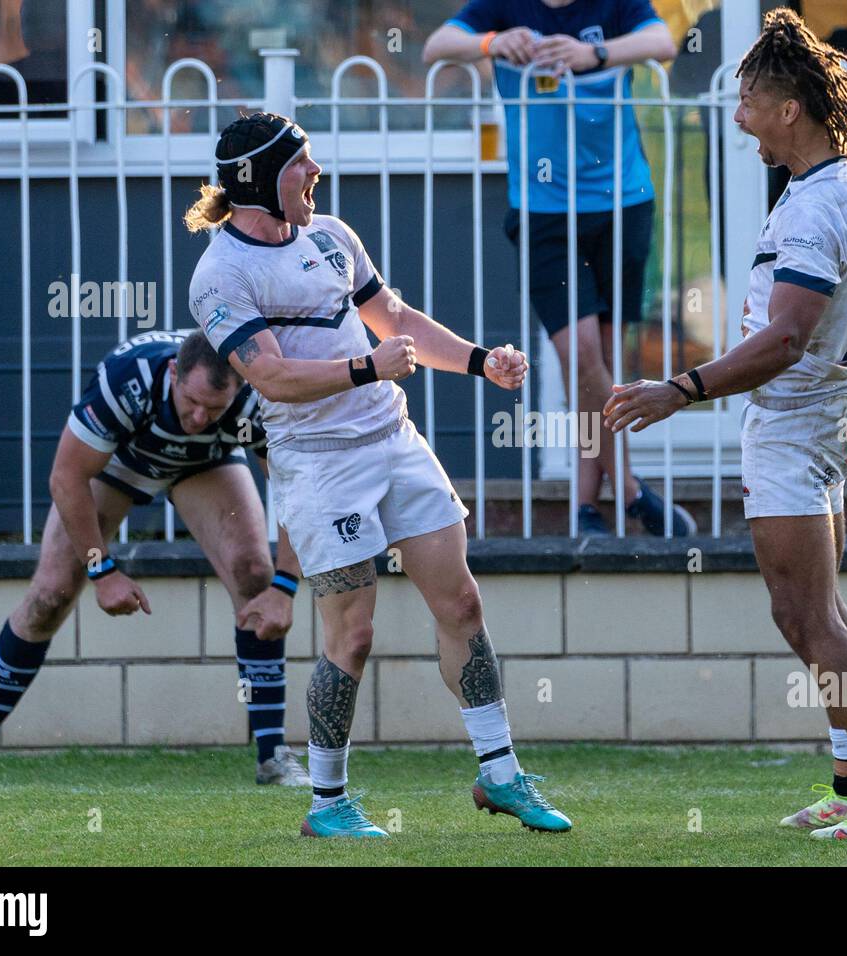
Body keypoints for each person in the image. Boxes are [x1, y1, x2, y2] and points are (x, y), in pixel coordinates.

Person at [185, 112, 573, 837]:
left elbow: (391, 316)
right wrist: (366, 364)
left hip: (394, 440)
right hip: (318, 465)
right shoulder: (220, 274)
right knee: (352, 637)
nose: (316, 174)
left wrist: (479, 360)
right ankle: (327, 805)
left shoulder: (332, 236)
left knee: (461, 605)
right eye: (301, 164)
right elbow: (269, 375)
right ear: (259, 180)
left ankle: (501, 775)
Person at [604, 8, 847, 840]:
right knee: (822, 607)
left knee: (803, 615)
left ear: (789, 109)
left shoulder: (818, 203)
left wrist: (678, 387)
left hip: (799, 418)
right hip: (835, 408)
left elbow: (785, 340)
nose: (738, 116)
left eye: (747, 98)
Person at [0, 329, 310, 789]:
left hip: (204, 463)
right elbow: (66, 479)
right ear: (174, 372)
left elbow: (296, 488)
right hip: (120, 460)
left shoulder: (258, 396)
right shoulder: (125, 380)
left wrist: (286, 585)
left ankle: (273, 757)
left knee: (256, 576)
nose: (198, 415)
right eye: (191, 400)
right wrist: (102, 569)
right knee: (49, 596)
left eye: (215, 408)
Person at [423, 1, 695, 536]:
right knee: (581, 356)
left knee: (599, 368)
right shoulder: (500, 6)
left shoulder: (615, 5)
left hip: (622, 202)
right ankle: (633, 490)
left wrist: (592, 52)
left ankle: (584, 508)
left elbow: (662, 43)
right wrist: (491, 43)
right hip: (545, 212)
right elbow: (436, 47)